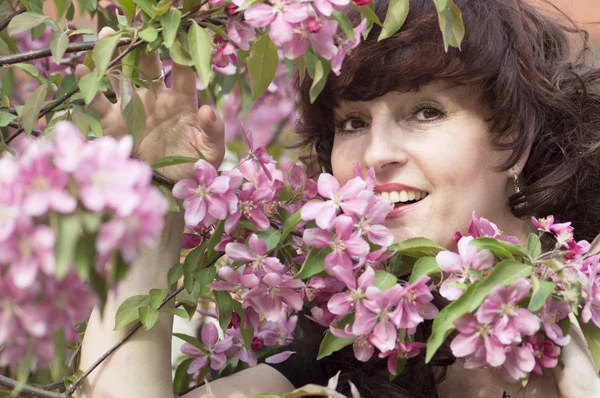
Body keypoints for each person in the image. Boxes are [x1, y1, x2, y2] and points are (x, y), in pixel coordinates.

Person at [73, 0, 600, 397]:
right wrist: (160, 193)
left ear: (516, 139)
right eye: (352, 122)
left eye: (426, 111)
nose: (374, 154)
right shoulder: (341, 363)